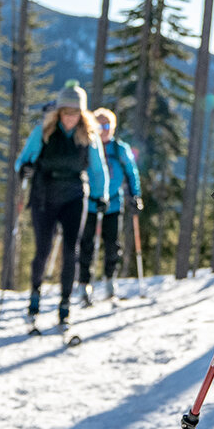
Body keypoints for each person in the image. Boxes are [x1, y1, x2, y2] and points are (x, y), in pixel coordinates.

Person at [14, 80, 108, 326]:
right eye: (66, 113)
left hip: (75, 196)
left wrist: (101, 196)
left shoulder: (89, 135)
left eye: (75, 113)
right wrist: (24, 169)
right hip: (44, 194)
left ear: (82, 113)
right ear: (59, 112)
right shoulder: (43, 132)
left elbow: (98, 170)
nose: (70, 118)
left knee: (70, 250)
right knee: (43, 249)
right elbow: (22, 161)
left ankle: (65, 302)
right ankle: (35, 293)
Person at [76, 107, 143, 304]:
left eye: (106, 125)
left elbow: (132, 173)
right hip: (89, 204)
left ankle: (109, 282)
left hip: (113, 203)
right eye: (99, 125)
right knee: (86, 244)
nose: (103, 129)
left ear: (112, 127)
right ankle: (84, 284)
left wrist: (135, 196)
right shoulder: (88, 145)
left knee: (112, 245)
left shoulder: (120, 149)